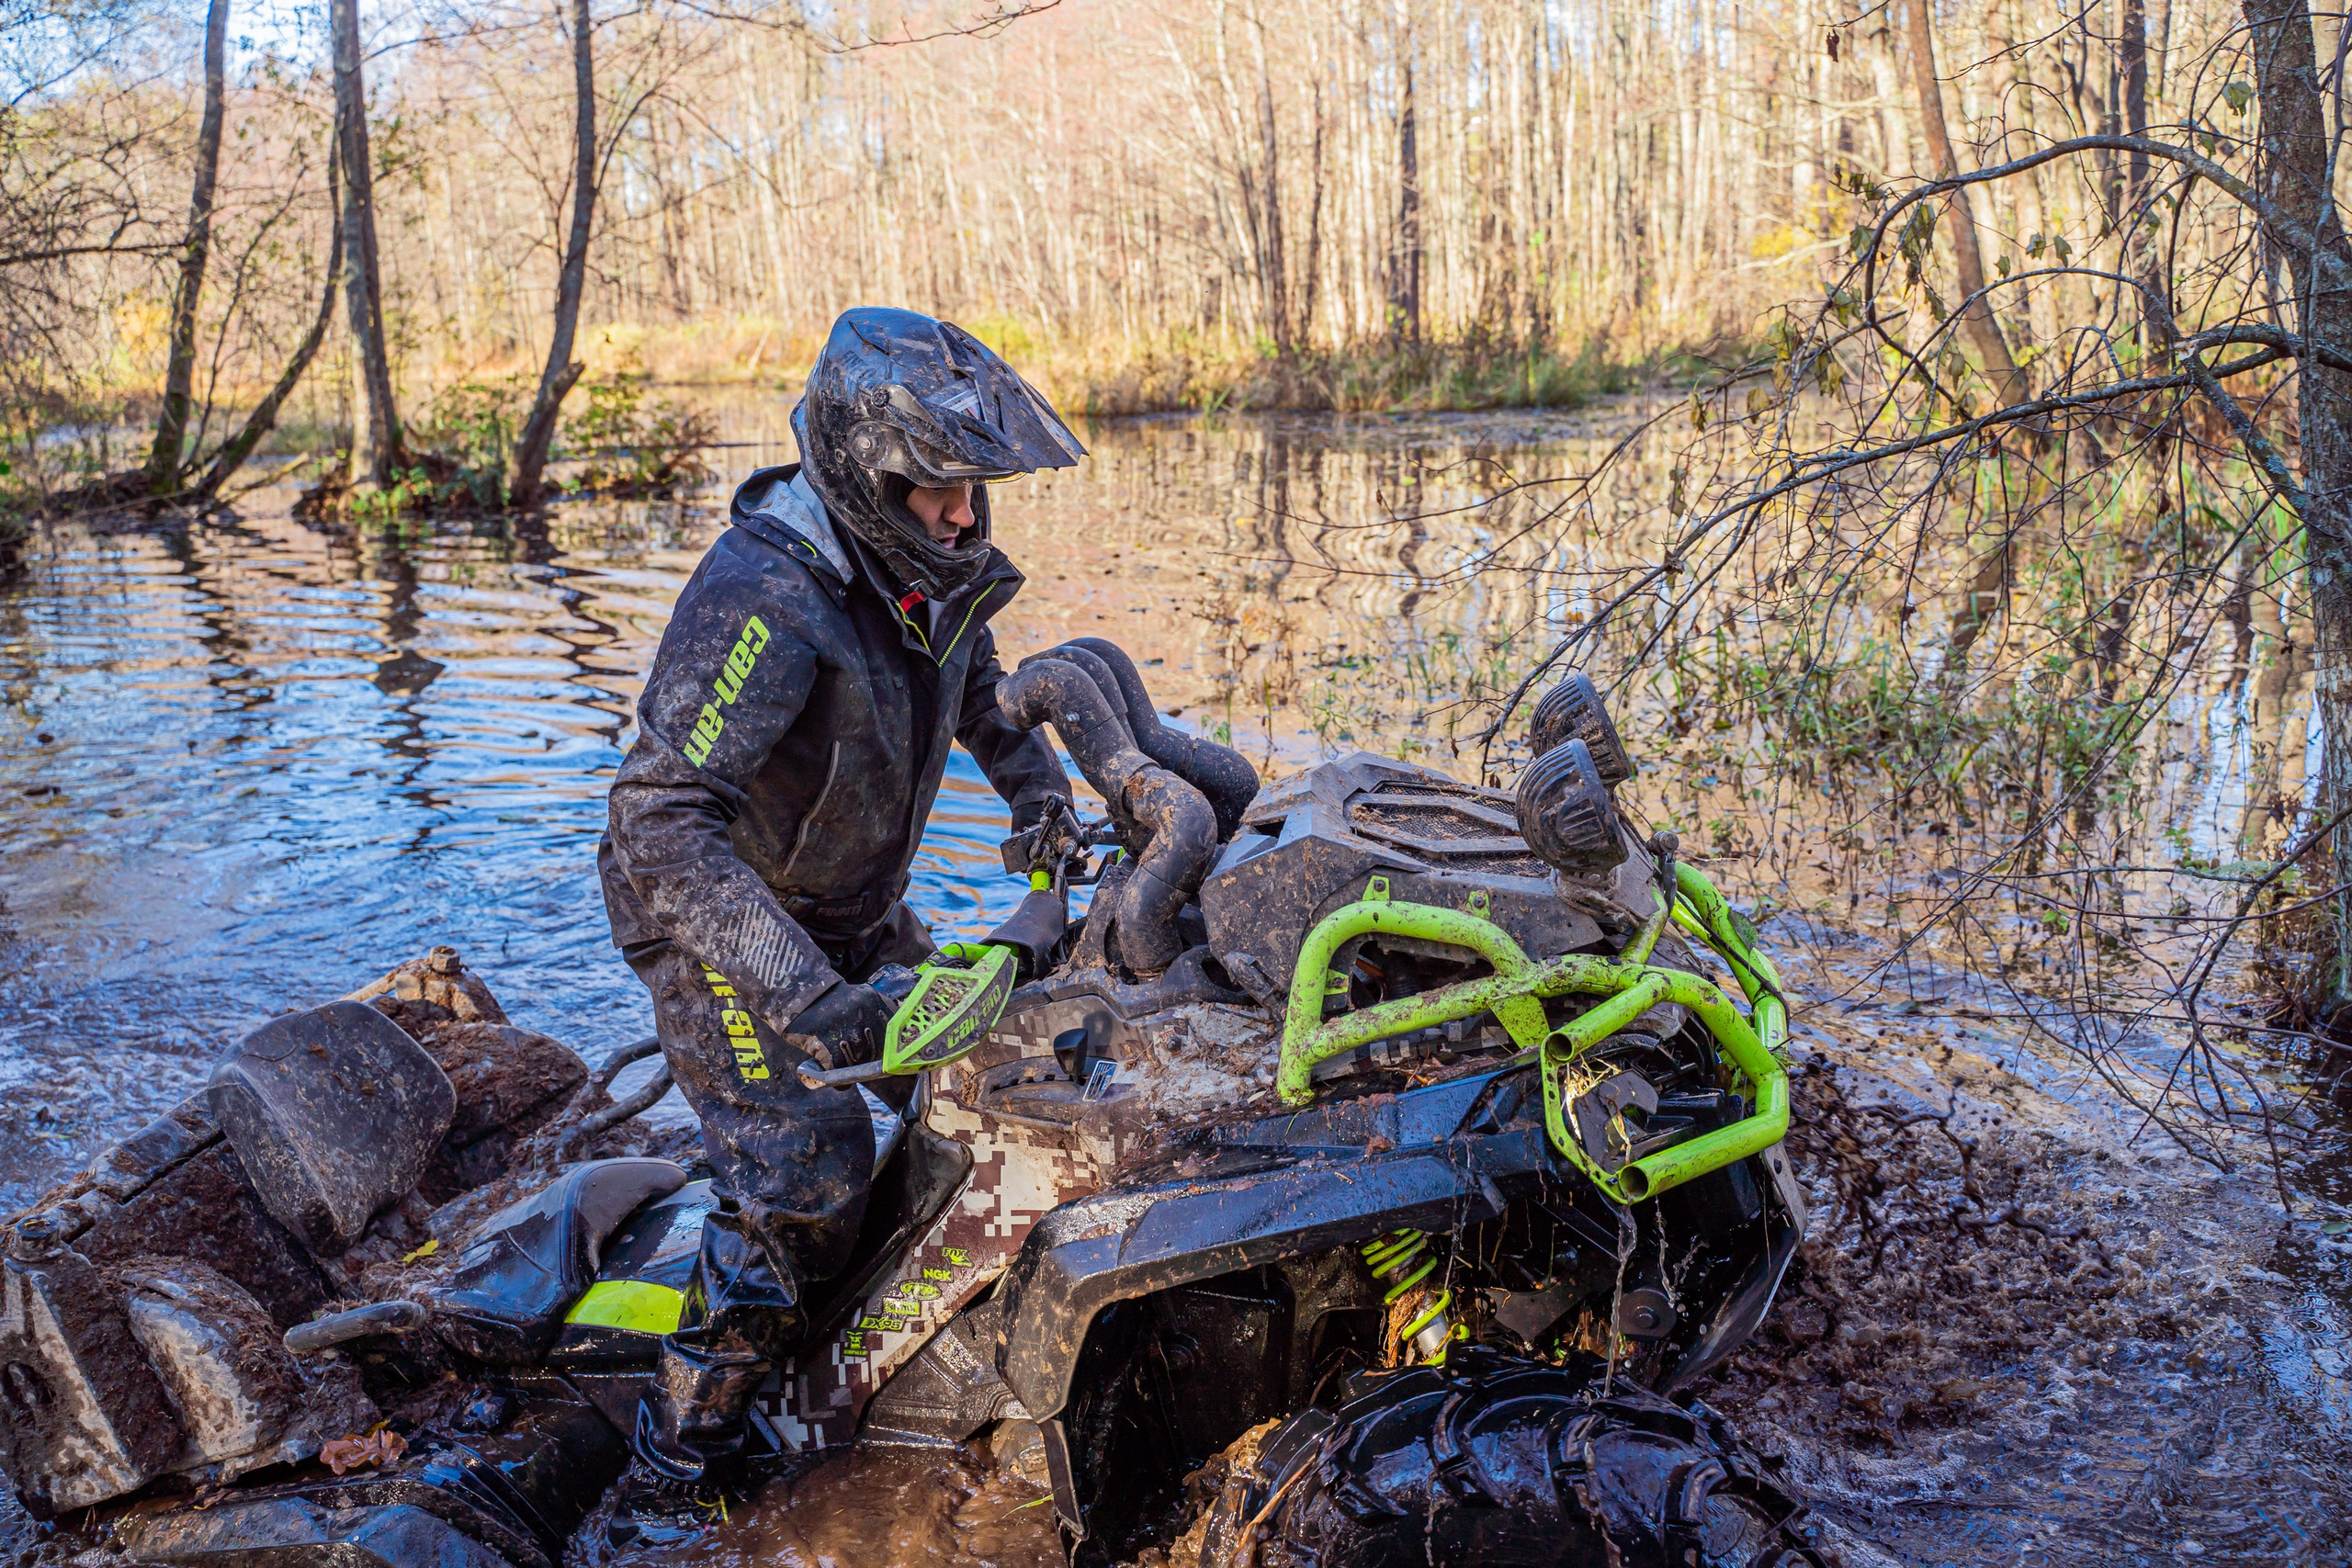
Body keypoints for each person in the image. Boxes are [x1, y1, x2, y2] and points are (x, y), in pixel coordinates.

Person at [598, 306, 1081, 1493]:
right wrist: (804, 994)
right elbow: (656, 820)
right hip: (719, 917)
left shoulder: (921, 566)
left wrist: (1038, 790)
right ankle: (684, 1450)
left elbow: (973, 678)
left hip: (845, 901)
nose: (965, 513)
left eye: (975, 485)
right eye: (940, 488)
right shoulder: (768, 593)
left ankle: (897, 1344)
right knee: (803, 1179)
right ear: (870, 473)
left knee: (990, 1068)